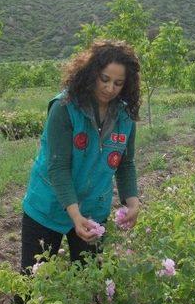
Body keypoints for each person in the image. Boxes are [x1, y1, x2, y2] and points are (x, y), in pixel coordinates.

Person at [20, 39, 141, 279]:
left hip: (93, 208)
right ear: (91, 73)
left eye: (118, 83)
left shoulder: (125, 116)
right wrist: (75, 216)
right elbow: (58, 166)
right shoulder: (65, 108)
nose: (110, 89)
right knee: (32, 283)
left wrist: (133, 201)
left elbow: (125, 164)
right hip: (48, 205)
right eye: (104, 79)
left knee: (90, 281)